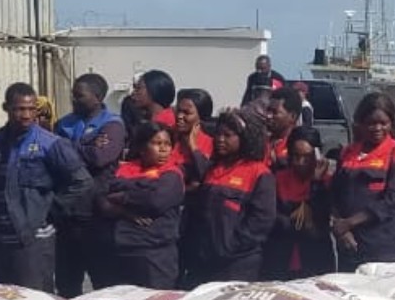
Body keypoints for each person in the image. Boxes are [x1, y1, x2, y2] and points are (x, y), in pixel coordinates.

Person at [0, 82, 93, 292]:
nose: (26, 115)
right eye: (19, 109)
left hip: (32, 239)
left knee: (35, 298)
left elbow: (82, 182)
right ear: (6, 108)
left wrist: (51, 210)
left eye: (31, 109)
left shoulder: (50, 144)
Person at [54, 73, 126, 295]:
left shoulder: (113, 124)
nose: (74, 100)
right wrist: (87, 145)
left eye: (80, 96)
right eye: (73, 95)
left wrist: (68, 146)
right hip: (68, 214)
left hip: (97, 214)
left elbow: (100, 158)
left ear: (98, 97)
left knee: (104, 283)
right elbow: (55, 156)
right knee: (67, 283)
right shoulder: (63, 123)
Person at [331, 92, 395, 269]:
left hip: (383, 250)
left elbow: (394, 201)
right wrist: (341, 229)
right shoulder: (348, 153)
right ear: (361, 123)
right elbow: (335, 194)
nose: (377, 128)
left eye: (383, 123)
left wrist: (350, 222)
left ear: (391, 123)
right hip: (350, 248)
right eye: (371, 123)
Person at [99, 121, 184, 288]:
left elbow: (155, 201)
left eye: (167, 144)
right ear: (142, 147)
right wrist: (124, 211)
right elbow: (101, 198)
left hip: (153, 254)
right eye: (157, 143)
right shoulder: (124, 169)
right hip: (118, 250)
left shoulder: (171, 174)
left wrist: (123, 196)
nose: (163, 149)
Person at [196, 107, 276, 282]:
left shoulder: (259, 173)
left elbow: (262, 220)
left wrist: (231, 246)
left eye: (227, 135)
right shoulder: (212, 170)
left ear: (244, 138)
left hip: (238, 263)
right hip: (206, 261)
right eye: (218, 134)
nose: (220, 139)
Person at [264, 126, 336, 279]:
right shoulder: (278, 178)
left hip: (315, 255)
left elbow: (322, 216)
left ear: (317, 155)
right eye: (296, 156)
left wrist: (316, 182)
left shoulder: (326, 181)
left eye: (307, 156)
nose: (300, 162)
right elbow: (270, 215)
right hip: (281, 255)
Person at [172, 88, 214, 285]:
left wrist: (193, 145)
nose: (180, 116)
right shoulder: (169, 139)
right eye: (178, 111)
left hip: (193, 221)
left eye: (186, 113)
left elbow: (204, 178)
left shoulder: (209, 143)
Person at [265, 86, 303, 171]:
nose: (268, 116)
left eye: (274, 112)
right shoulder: (260, 143)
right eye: (268, 111)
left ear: (292, 116)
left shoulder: (299, 148)